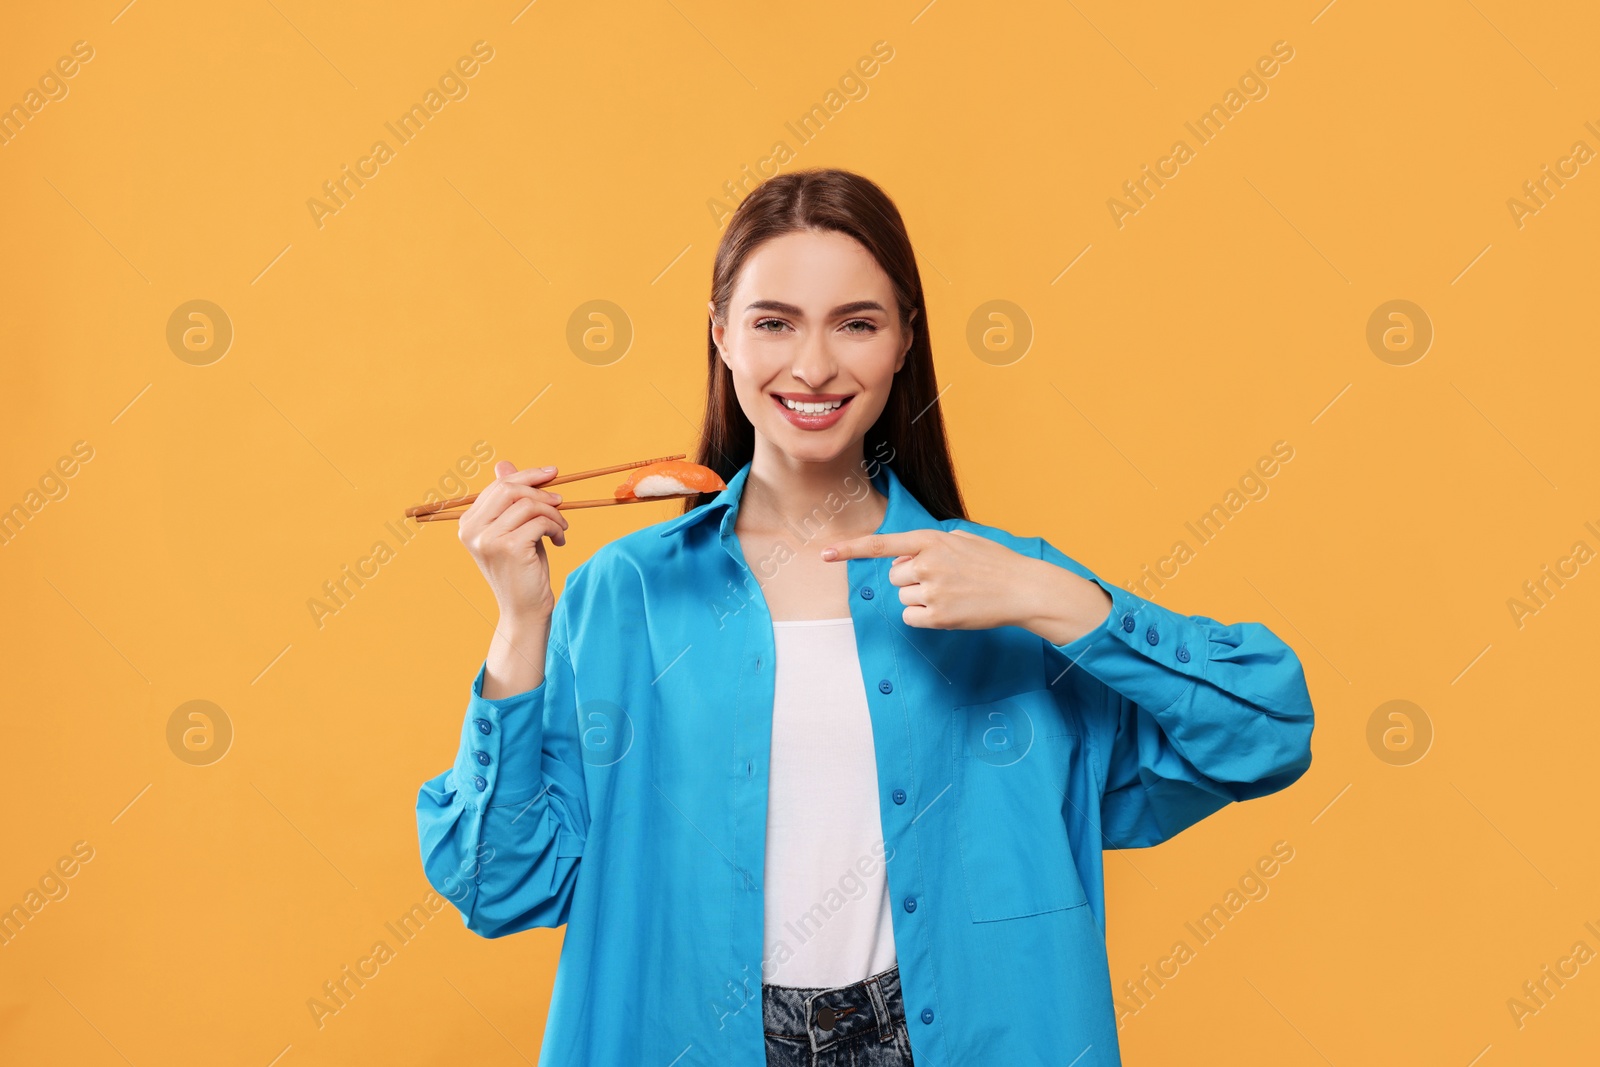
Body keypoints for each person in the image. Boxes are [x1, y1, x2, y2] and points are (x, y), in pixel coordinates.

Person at [415, 167, 1316, 1066]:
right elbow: (498, 882)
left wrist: (1052, 596)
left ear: (903, 343)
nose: (813, 366)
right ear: (722, 334)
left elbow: (1264, 731)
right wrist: (519, 624)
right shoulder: (625, 596)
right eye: (774, 322)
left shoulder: (1007, 587)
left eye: (856, 323)